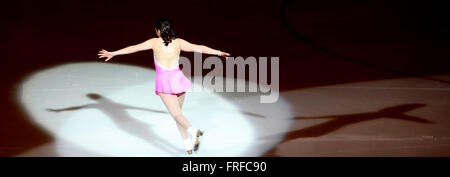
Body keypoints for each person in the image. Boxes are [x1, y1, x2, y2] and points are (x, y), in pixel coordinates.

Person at [97, 17, 230, 155]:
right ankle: (187, 146)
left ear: (158, 31)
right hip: (178, 80)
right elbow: (199, 48)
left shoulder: (154, 42)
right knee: (178, 115)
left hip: (165, 83)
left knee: (177, 115)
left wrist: (114, 53)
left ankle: (193, 131)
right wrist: (218, 52)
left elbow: (134, 48)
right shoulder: (179, 42)